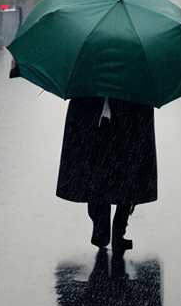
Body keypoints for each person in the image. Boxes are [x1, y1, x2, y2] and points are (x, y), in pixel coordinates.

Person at [56, 95, 157, 251]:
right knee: (124, 175)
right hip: (122, 114)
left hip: (105, 115)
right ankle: (112, 231)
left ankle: (106, 231)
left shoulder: (88, 75)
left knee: (106, 175)